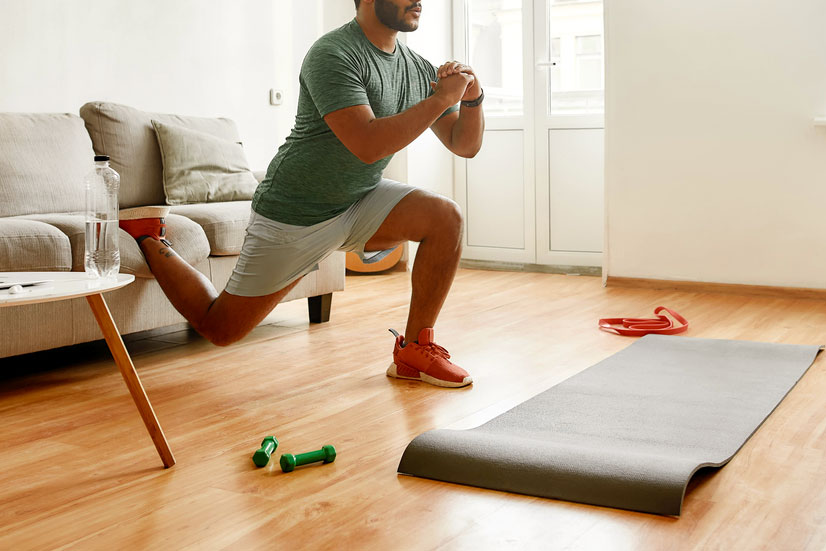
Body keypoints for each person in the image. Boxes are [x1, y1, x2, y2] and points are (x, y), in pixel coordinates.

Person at [120, 0, 485, 388]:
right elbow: (366, 143)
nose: (418, 0)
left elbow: (464, 145)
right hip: (294, 210)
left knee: (446, 217)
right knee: (220, 327)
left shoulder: (417, 69)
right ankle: (149, 236)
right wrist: (442, 98)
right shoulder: (332, 54)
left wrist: (473, 98)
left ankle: (413, 352)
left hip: (359, 199)